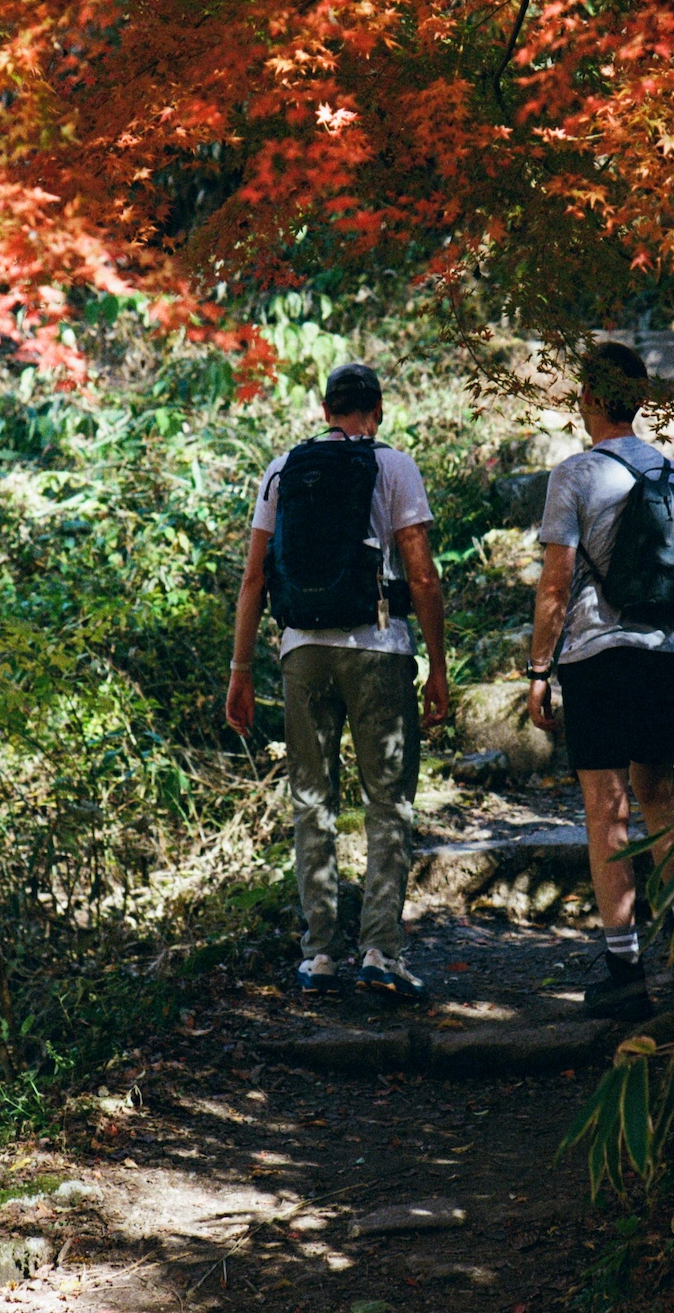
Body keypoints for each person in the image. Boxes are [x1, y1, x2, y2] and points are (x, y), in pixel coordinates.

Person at [225, 362, 450, 1000]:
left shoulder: (281, 469)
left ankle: (318, 957)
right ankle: (379, 953)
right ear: (376, 411)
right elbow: (422, 573)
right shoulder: (394, 466)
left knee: (312, 802)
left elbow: (254, 580)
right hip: (377, 647)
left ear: (326, 411)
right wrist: (437, 665)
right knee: (387, 804)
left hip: (302, 653)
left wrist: (241, 672)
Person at [526, 341, 674, 1018]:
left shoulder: (575, 474)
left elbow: (556, 582)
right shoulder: (673, 472)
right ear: (641, 400)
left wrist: (539, 670)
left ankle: (625, 971)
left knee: (606, 805)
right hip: (664, 649)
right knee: (658, 793)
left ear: (588, 399)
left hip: (598, 653)